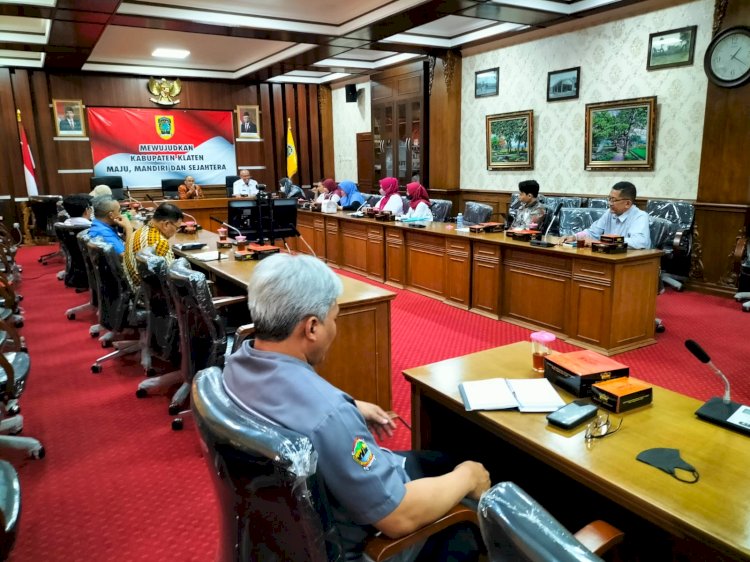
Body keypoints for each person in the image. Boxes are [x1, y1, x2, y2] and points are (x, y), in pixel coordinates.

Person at [222, 253, 490, 561]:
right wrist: (469, 476)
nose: (334, 328)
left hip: (277, 535)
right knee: (465, 513)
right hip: (357, 544)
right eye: (333, 319)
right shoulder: (329, 416)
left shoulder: (235, 364)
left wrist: (350, 408)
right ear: (312, 328)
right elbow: (398, 518)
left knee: (437, 461)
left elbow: (304, 410)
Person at [558, 181, 651, 249]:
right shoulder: (610, 213)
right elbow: (592, 233)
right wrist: (574, 237)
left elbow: (639, 242)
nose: (610, 203)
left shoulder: (640, 216)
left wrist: (604, 242)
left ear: (627, 203)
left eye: (614, 200)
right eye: (609, 198)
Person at [123, 202, 183, 290]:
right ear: (166, 224)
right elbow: (171, 280)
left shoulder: (138, 232)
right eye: (177, 228)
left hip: (133, 291)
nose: (176, 232)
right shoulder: (160, 242)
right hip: (148, 296)